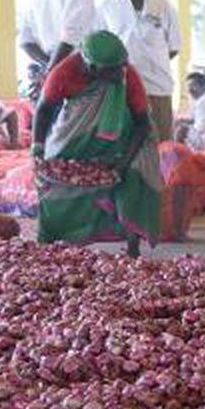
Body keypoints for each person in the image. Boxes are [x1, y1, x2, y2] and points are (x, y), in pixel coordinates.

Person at [31, 30, 162, 257]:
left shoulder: (127, 74)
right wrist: (38, 148)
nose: (118, 73)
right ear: (91, 67)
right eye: (111, 70)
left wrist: (123, 162)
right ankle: (52, 245)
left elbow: (142, 123)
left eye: (121, 66)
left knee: (135, 176)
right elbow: (43, 110)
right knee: (55, 183)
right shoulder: (64, 72)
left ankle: (132, 247)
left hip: (126, 139)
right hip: (76, 136)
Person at [96, 0, 181, 143]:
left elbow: (174, 46)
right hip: (121, 85)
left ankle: (160, 174)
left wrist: (149, 61)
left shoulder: (164, 5)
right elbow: (100, 41)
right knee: (125, 142)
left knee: (160, 142)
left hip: (157, 85)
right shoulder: (109, 4)